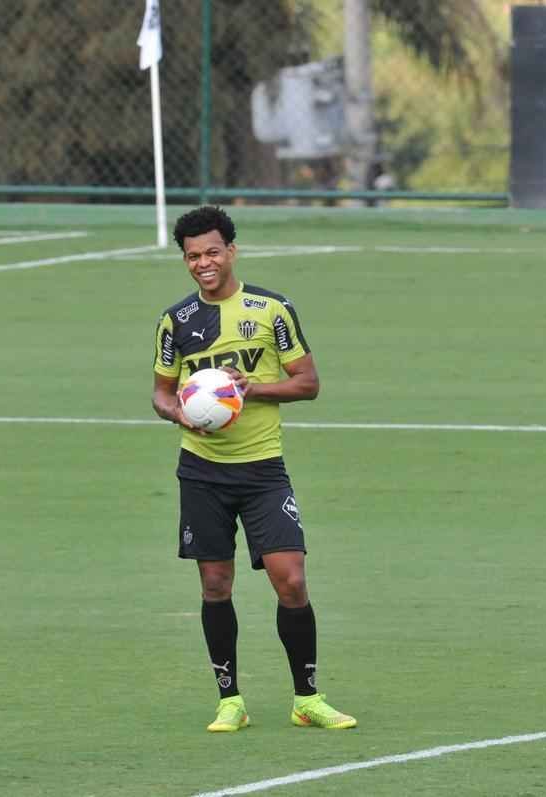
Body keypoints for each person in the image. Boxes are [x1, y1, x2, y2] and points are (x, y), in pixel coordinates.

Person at [151, 206, 356, 732]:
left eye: (212, 252)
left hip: (263, 470)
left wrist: (251, 389)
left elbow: (308, 383)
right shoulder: (176, 321)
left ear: (232, 251)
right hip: (201, 471)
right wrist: (178, 412)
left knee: (291, 580)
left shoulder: (271, 310)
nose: (203, 263)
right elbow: (161, 391)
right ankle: (230, 700)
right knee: (215, 583)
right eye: (193, 256)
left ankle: (307, 698)